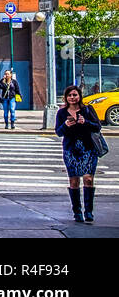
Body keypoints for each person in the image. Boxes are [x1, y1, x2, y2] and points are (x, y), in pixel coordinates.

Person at [55, 84, 102, 223]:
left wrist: (85, 122)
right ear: (66, 97)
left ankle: (88, 212)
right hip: (71, 151)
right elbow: (58, 132)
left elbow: (97, 126)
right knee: (74, 181)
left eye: (75, 95)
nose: (72, 98)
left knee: (88, 179)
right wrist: (65, 125)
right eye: (70, 95)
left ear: (79, 96)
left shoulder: (87, 110)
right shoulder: (62, 113)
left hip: (88, 149)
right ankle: (77, 212)